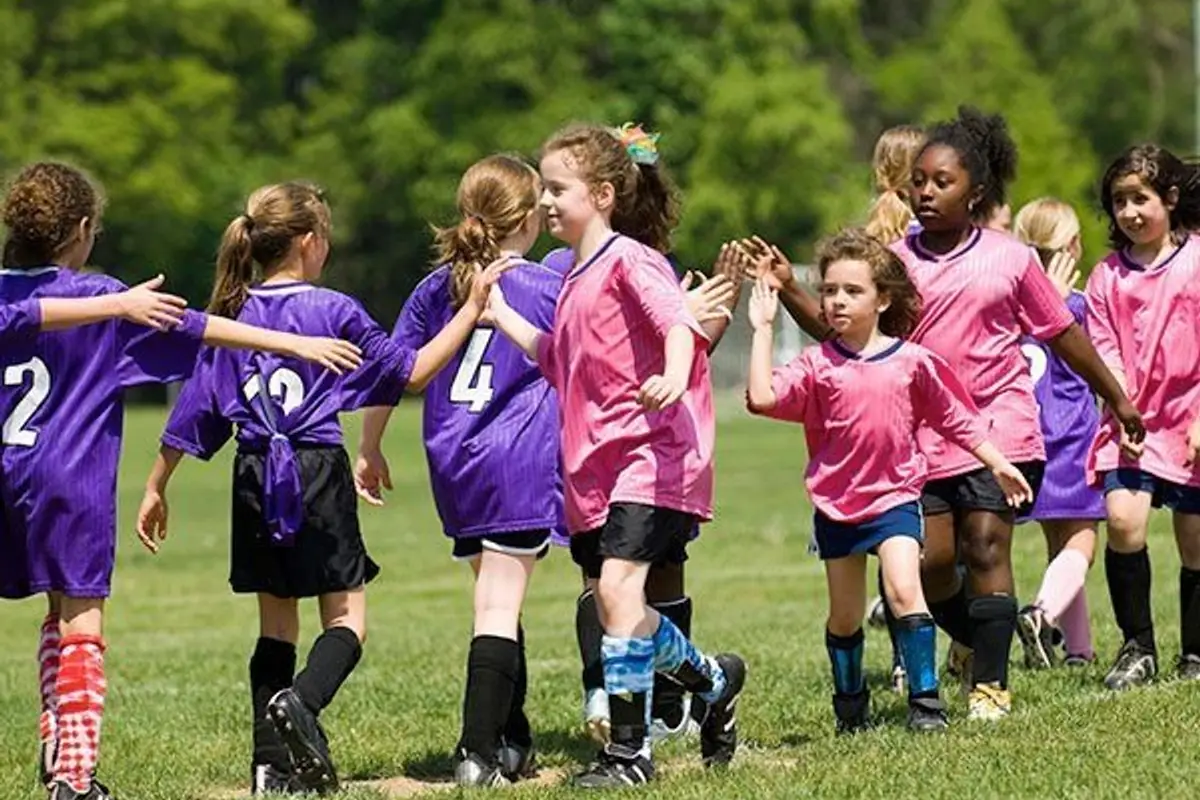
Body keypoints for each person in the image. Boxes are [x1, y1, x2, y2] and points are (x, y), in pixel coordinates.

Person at [0, 164, 362, 800]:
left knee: (55, 616)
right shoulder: (107, 301)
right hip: (70, 482)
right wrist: (292, 344)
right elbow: (197, 329)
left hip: (7, 474)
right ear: (80, 232)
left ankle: (55, 748)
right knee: (82, 620)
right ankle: (75, 778)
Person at [134, 181, 508, 796]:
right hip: (313, 470)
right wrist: (472, 310)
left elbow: (196, 411)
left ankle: (269, 768)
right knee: (347, 620)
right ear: (309, 242)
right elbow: (411, 372)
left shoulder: (232, 315)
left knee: (275, 626)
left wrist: (156, 486)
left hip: (254, 473)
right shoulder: (334, 309)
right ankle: (301, 706)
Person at [487, 122, 745, 788]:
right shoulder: (573, 278)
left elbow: (677, 323)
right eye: (542, 187)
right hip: (592, 470)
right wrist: (498, 315)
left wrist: (672, 371)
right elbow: (557, 359)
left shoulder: (631, 260)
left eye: (556, 188)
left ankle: (628, 757)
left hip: (651, 457)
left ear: (602, 193)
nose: (544, 200)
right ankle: (714, 683)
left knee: (616, 590)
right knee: (617, 606)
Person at [888, 107, 1142, 720]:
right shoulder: (894, 260)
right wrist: (792, 291)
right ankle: (985, 640)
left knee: (985, 545)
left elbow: (1061, 332)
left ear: (975, 193)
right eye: (919, 180)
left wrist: (1115, 393)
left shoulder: (1009, 258)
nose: (925, 191)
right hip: (922, 431)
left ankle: (991, 688)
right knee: (932, 562)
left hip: (1000, 425)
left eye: (940, 181)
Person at [747, 227, 1032, 733]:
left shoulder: (912, 362)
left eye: (852, 291)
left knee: (905, 592)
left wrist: (996, 461)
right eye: (830, 290)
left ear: (883, 299)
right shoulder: (817, 366)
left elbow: (956, 419)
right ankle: (850, 703)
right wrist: (763, 327)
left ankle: (926, 704)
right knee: (846, 617)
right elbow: (763, 398)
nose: (836, 301)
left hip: (897, 499)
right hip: (837, 509)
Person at [355, 154, 561, 787]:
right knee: (499, 603)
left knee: (498, 595)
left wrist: (370, 445)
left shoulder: (434, 286)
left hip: (453, 455)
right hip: (517, 454)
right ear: (528, 221)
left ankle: (513, 741)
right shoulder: (547, 287)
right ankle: (476, 752)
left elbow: (394, 368)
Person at [1084, 144, 1200, 689]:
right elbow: (1101, 344)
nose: (1129, 212)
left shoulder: (1197, 260)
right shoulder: (1106, 275)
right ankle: (1138, 647)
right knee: (1125, 523)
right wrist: (1121, 401)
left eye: (1140, 199)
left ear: (1171, 199)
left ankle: (1195, 653)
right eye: (1119, 202)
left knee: (1194, 538)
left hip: (1191, 420)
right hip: (1130, 421)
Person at [1010, 199, 1104, 669]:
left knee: (1058, 544)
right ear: (1073, 245)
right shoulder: (1076, 308)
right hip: (1073, 438)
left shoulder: (1012, 310)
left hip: (1027, 439)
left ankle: (1078, 652)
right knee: (1083, 542)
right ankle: (1042, 613)